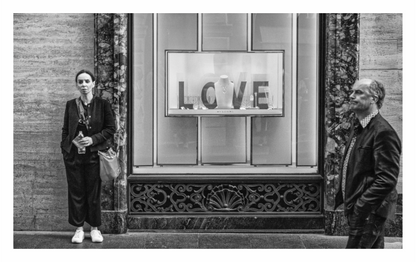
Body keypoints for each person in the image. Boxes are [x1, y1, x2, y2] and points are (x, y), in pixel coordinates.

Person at [335, 79, 401, 248]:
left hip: (369, 211)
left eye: (358, 92)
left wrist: (361, 205)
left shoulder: (383, 132)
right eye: (352, 91)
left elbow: (386, 179)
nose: (351, 96)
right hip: (362, 208)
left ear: (374, 98)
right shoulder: (360, 127)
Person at [61, 69, 116, 243]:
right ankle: (78, 229)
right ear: (77, 85)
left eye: (87, 81)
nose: (83, 85)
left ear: (94, 83)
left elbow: (111, 129)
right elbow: (65, 130)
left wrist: (92, 140)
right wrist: (66, 149)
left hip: (94, 155)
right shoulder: (71, 105)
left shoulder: (103, 104)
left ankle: (94, 228)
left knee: (93, 193)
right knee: (76, 192)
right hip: (74, 156)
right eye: (80, 82)